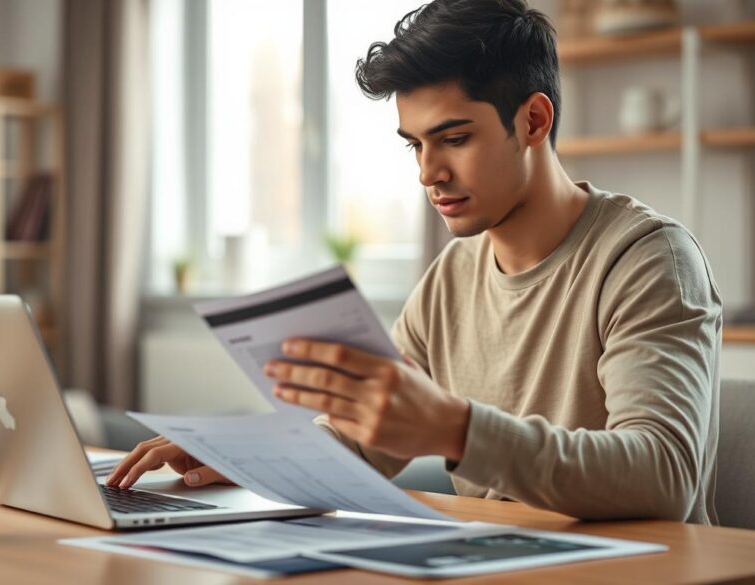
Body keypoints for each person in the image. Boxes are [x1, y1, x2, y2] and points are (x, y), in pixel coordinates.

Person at [107, 0, 722, 523]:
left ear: (533, 120)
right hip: (503, 562)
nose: (429, 172)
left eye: (454, 138)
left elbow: (663, 477)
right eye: (416, 145)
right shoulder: (453, 276)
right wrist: (242, 455)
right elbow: (364, 436)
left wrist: (455, 429)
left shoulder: (646, 260)